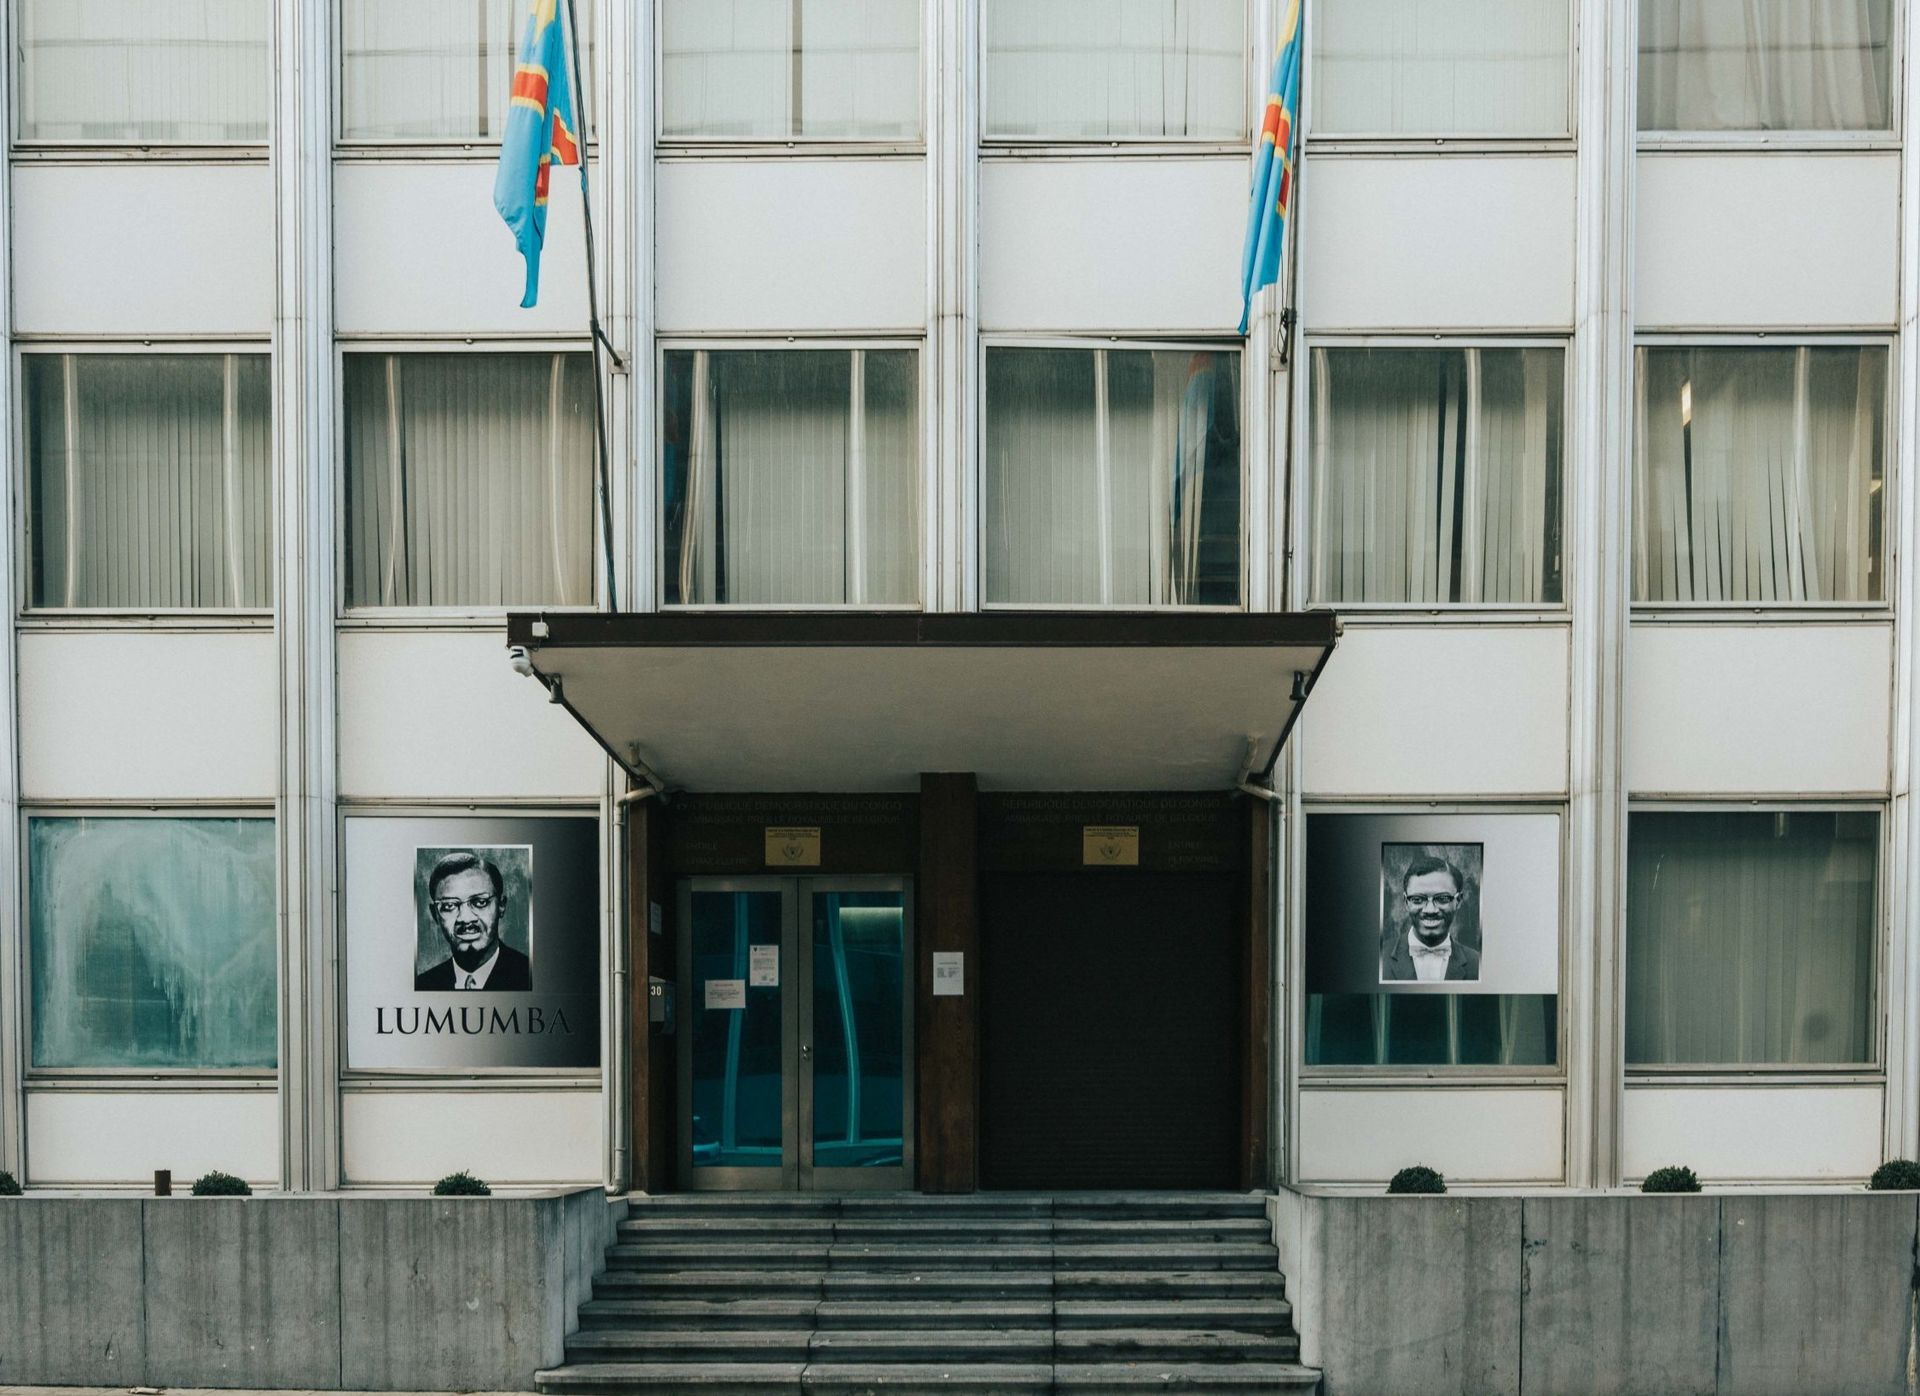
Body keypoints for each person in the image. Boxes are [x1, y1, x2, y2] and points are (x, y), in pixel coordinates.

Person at [415, 850, 533, 991]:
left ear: (501, 906)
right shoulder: (423, 985)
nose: (465, 919)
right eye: (449, 906)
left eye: (480, 902)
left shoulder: (532, 976)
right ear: (435, 914)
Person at [1380, 853, 1481, 983]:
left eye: (1442, 899)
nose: (1430, 910)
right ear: (1406, 902)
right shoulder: (1378, 958)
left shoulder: (1477, 964)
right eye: (1418, 899)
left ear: (1458, 901)